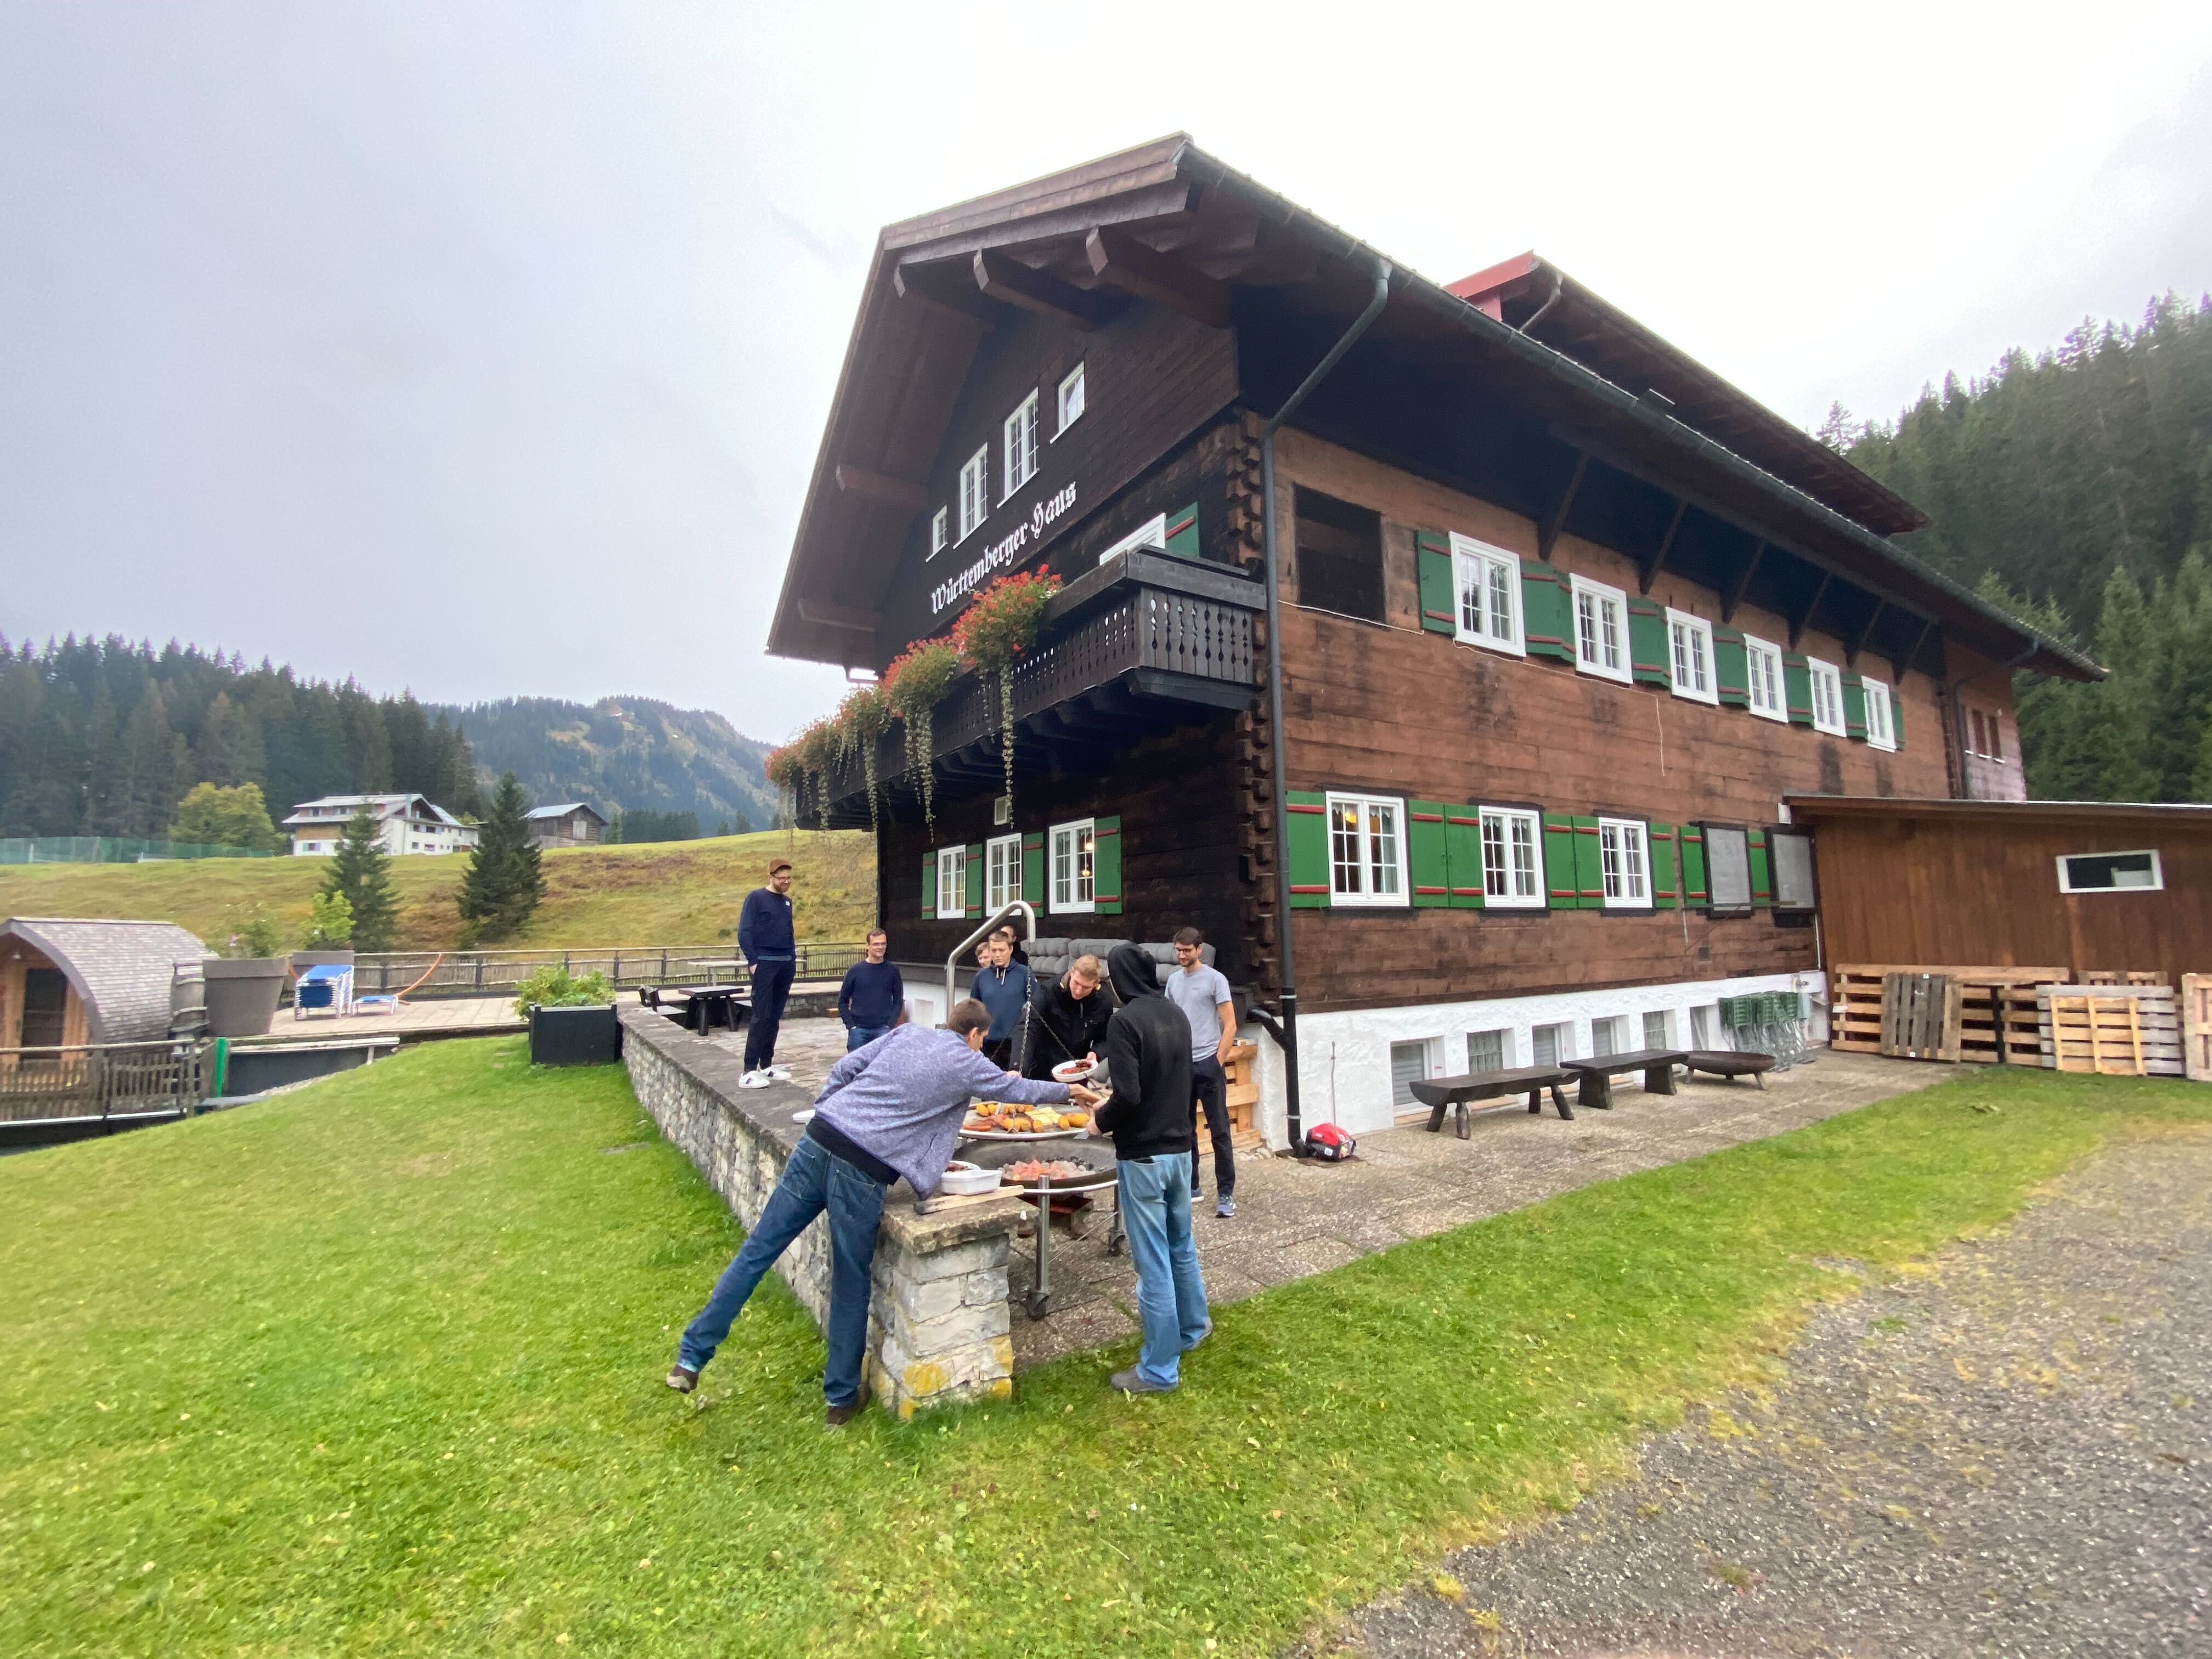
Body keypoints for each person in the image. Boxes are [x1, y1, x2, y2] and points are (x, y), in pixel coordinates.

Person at [669, 999, 1099, 1421]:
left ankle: (690, 1357)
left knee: (758, 1250)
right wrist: (1069, 1090)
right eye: (982, 1042)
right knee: (851, 1280)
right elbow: (1017, 1090)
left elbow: (845, 1068)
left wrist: (835, 1110)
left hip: (818, 1139)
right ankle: (840, 1399)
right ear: (974, 1035)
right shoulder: (967, 1062)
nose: (981, 1049)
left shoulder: (907, 1034)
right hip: (862, 1170)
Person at [1094, 944, 1209, 1393]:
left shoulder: (1124, 1021)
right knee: (1181, 1244)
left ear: (1120, 980)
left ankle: (1160, 1369)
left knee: (1153, 1261)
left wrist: (1097, 1122)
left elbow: (1128, 1095)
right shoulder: (1176, 1013)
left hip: (1143, 1156)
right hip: (1180, 1150)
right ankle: (1193, 1328)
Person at [1163, 927, 1239, 1218]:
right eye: (1178, 950)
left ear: (1199, 950)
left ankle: (1226, 1193)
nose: (1182, 955)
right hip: (1182, 1066)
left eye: (1187, 950)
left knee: (1219, 1131)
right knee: (1185, 1130)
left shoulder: (1215, 979)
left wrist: (1217, 1062)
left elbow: (1230, 1025)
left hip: (1209, 1063)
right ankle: (1192, 1186)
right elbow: (1169, 1022)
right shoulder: (1173, 981)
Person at [737, 856, 796, 1089]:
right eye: (782, 879)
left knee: (774, 1016)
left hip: (785, 964)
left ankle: (767, 1065)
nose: (786, 882)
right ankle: (749, 1070)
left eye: (789, 878)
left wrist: (792, 959)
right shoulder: (756, 898)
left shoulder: (787, 903)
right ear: (771, 877)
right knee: (761, 1016)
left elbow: (789, 933)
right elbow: (745, 931)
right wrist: (753, 961)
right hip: (764, 963)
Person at [1013, 952, 1116, 1080]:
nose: (1078, 991)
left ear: (1096, 984)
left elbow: (1106, 1038)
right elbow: (1027, 1027)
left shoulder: (1103, 1001)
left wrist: (1096, 1053)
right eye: (1076, 983)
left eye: (1086, 987)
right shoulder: (1047, 991)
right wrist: (1017, 1067)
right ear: (1072, 972)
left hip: (1078, 1069)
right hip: (1043, 1068)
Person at [971, 930, 1033, 1069]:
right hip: (988, 1043)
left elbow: (1036, 1007)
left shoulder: (1025, 974)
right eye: (994, 950)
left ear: (1010, 949)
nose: (998, 955)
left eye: (1002, 950)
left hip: (1016, 1044)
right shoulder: (981, 977)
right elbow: (974, 1010)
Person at [838, 928, 904, 1052]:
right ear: (868, 946)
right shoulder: (855, 971)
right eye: (876, 944)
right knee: (856, 1064)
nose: (880, 947)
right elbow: (842, 1001)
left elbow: (898, 1001)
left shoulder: (893, 971)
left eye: (883, 944)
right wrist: (851, 1026)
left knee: (882, 1064)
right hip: (859, 1031)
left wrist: (890, 1025)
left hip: (883, 1030)